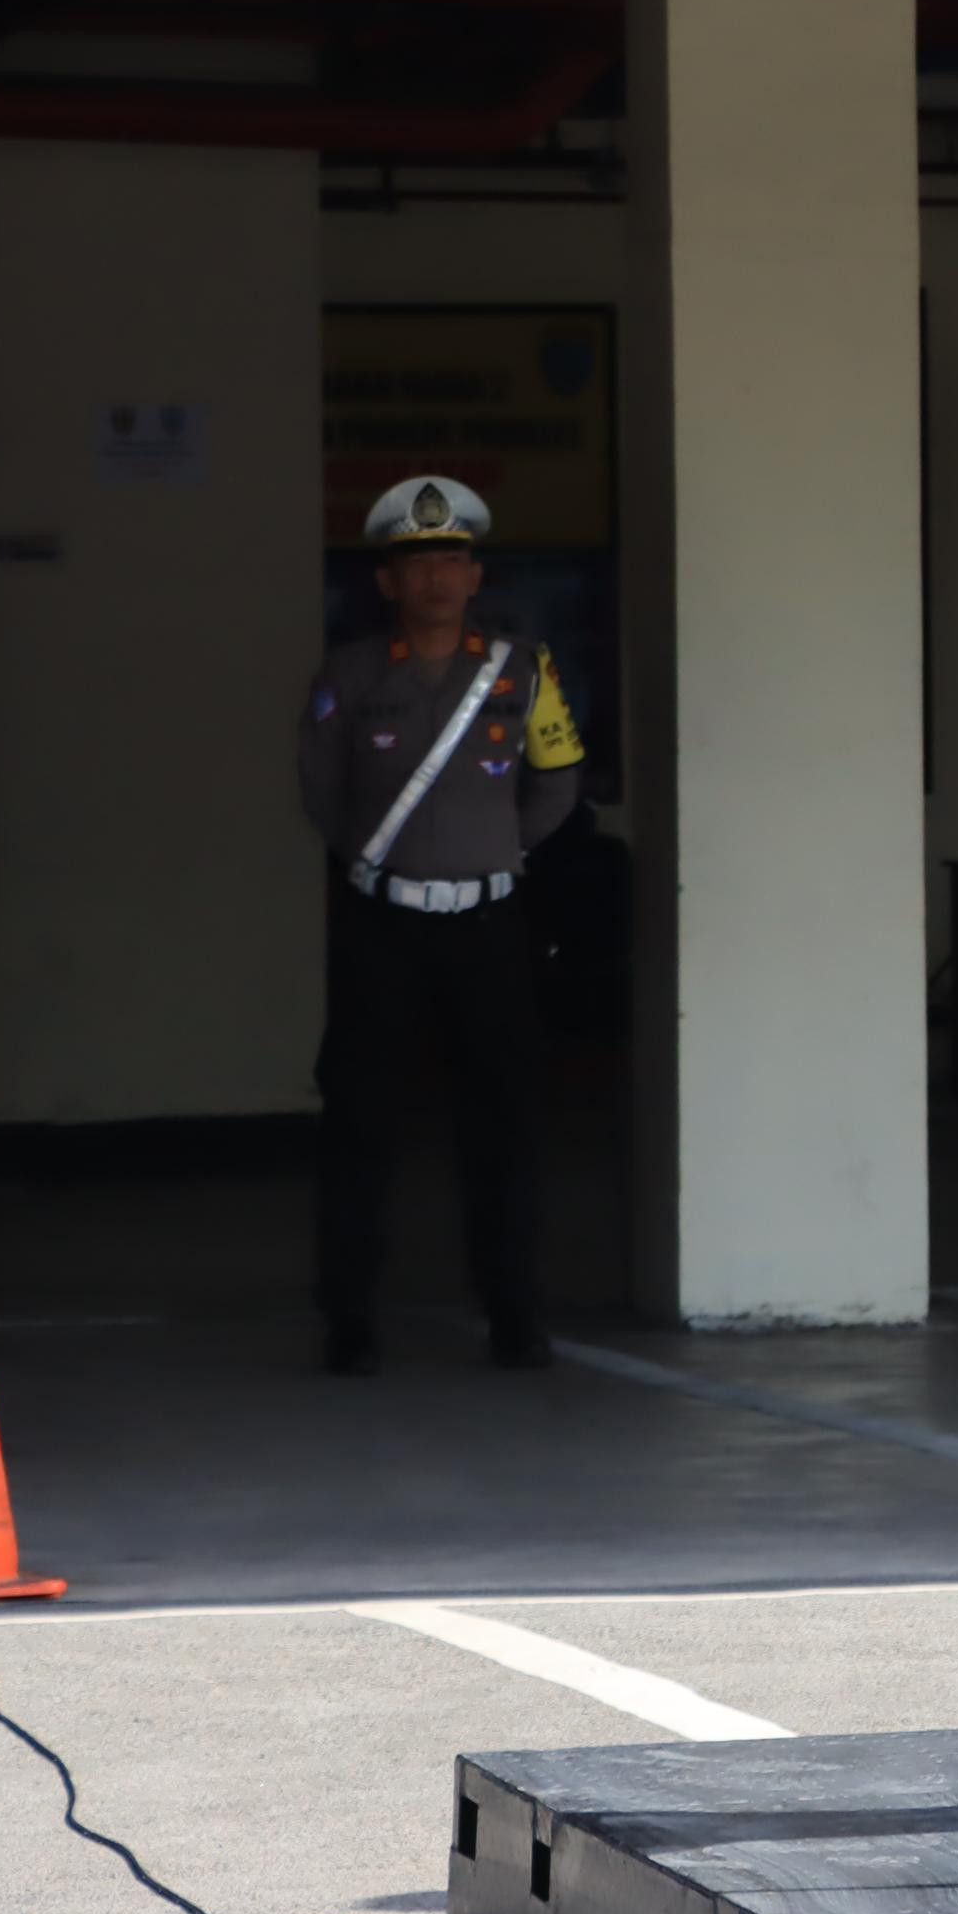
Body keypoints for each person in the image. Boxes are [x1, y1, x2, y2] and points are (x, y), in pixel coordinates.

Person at [296, 474, 587, 1376]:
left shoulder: (521, 668)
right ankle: (349, 1317)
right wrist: (397, 869)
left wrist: (493, 854)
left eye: (452, 559)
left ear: (474, 574)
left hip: (488, 925)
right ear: (387, 581)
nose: (435, 577)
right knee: (360, 1119)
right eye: (416, 563)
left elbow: (558, 783)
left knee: (504, 1121)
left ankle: (514, 1314)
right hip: (383, 925)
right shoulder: (347, 674)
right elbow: (323, 796)